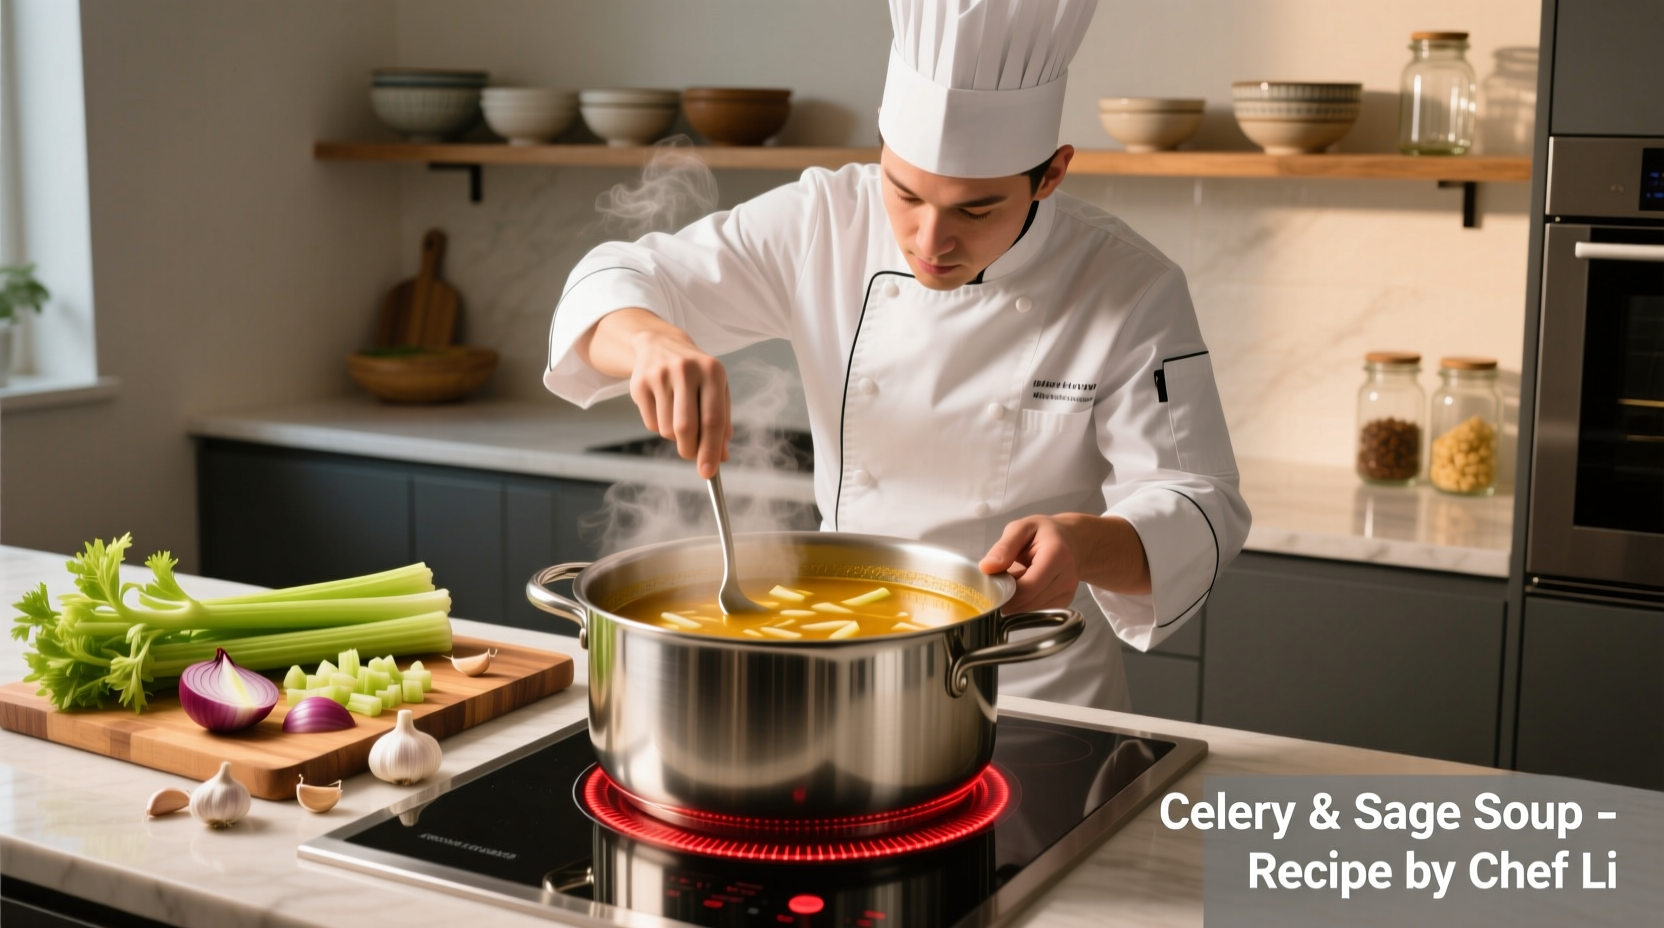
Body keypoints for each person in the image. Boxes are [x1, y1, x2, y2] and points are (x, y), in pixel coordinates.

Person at [544, 0, 1249, 710]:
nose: (929, 241)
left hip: (1034, 689)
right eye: (904, 192)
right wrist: (652, 340)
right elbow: (616, 281)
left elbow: (1201, 503)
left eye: (977, 210)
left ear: (1052, 174)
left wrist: (1084, 542)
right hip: (840, 671)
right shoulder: (826, 219)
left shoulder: (1128, 284)